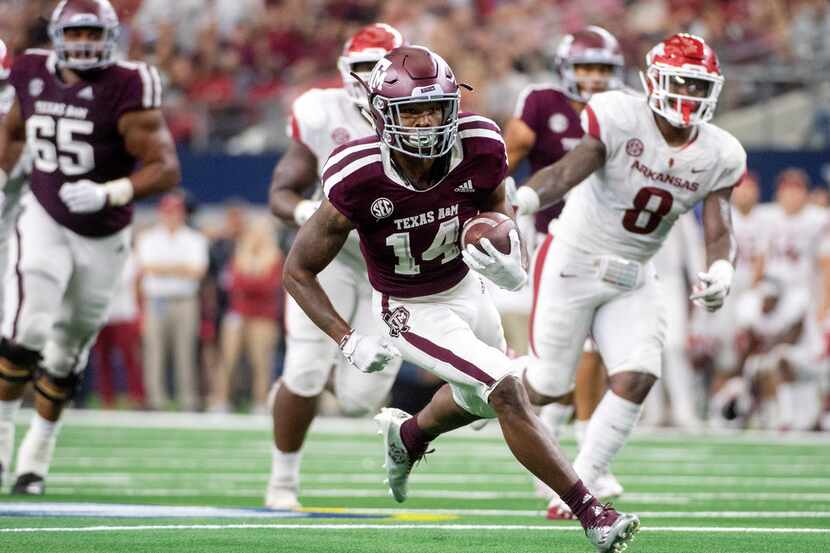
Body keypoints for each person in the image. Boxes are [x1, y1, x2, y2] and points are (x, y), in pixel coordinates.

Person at [284, 45, 639, 552]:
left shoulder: (481, 143)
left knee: (480, 400)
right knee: (505, 387)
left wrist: (507, 257)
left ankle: (409, 438)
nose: (427, 122)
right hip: (410, 308)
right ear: (382, 114)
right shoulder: (357, 173)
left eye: (436, 108)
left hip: (467, 287)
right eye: (412, 111)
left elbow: (497, 207)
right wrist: (346, 339)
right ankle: (593, 513)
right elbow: (297, 271)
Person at [509, 33, 746, 517]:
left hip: (634, 270)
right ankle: (486, 383)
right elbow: (571, 168)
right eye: (680, 82)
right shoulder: (620, 114)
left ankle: (580, 482)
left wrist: (721, 267)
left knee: (639, 374)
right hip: (574, 257)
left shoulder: (720, 152)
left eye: (699, 86)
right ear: (655, 81)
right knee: (548, 383)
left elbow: (720, 224)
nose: (689, 94)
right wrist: (527, 197)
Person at [0, 0, 180, 495]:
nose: (83, 44)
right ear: (58, 35)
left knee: (67, 353)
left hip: (104, 231)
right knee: (27, 325)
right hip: (44, 214)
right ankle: (0, 438)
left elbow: (165, 167)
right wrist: (5, 179)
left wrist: (111, 190)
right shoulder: (32, 69)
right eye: (75, 34)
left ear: (109, 37)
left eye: (91, 34)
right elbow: (13, 131)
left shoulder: (128, 84)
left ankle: (37, 453)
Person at [265, 23, 405, 510]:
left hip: (393, 268)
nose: (370, 79)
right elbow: (282, 189)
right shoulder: (322, 112)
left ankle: (312, 380)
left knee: (361, 399)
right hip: (331, 259)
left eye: (380, 67)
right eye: (362, 68)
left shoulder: (423, 110)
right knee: (304, 372)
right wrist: (305, 211)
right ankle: (282, 481)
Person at [504, 25, 625, 507]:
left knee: (596, 349)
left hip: (608, 241)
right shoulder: (540, 102)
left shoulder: (624, 108)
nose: (593, 77)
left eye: (602, 68)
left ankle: (588, 452)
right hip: (549, 237)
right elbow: (507, 158)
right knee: (560, 347)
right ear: (566, 69)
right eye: (585, 67)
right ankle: (555, 447)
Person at [136, 193, 208, 411]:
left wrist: (164, 269)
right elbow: (147, 268)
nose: (172, 216)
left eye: (175, 211)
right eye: (168, 212)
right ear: (161, 213)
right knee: (154, 350)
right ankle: (155, 399)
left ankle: (188, 400)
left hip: (185, 300)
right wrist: (179, 268)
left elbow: (197, 271)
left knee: (185, 351)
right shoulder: (148, 237)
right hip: (156, 300)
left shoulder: (195, 238)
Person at [209, 216, 282, 414]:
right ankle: (220, 400)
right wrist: (253, 277)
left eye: (261, 232)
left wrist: (250, 278)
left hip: (264, 316)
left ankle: (259, 402)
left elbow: (268, 287)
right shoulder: (239, 253)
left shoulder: (275, 255)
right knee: (227, 359)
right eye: (254, 232)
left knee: (261, 361)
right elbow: (235, 284)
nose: (257, 236)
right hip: (238, 314)